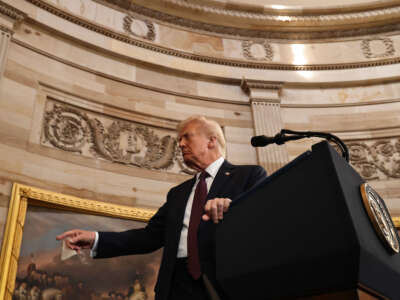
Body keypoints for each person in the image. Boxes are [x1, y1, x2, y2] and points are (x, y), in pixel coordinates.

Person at [56, 115, 266, 300]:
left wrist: (233, 207)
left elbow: (262, 222)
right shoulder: (178, 193)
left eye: (187, 137)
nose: (181, 144)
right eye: (179, 140)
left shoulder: (248, 176)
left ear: (211, 141)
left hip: (224, 282)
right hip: (175, 286)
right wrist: (95, 239)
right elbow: (148, 237)